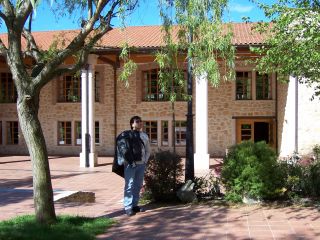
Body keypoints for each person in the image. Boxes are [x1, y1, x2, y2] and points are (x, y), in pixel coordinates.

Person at [123, 116, 150, 216]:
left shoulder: (144, 136)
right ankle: (128, 207)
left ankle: (134, 205)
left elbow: (148, 150)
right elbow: (123, 150)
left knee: (138, 185)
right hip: (130, 165)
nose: (140, 123)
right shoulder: (127, 135)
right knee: (129, 185)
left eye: (141, 121)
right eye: (137, 121)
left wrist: (145, 161)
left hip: (141, 164)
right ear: (132, 124)